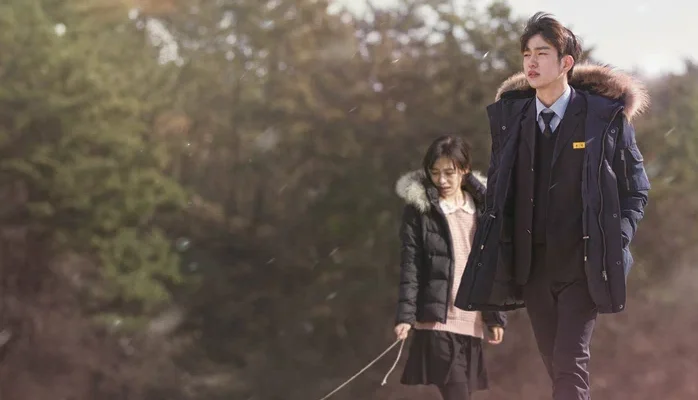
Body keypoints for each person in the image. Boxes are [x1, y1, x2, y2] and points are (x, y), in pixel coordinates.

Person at [454, 12, 651, 400]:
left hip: (584, 265)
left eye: (542, 53)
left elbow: (636, 190)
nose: (531, 62)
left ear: (566, 63)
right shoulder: (511, 120)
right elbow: (501, 194)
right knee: (556, 364)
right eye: (527, 53)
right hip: (532, 269)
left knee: (569, 360)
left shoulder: (603, 119)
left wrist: (616, 237)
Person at [393, 134, 507, 400]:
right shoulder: (420, 211)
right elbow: (411, 266)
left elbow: (493, 268)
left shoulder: (484, 209)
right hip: (438, 324)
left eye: (449, 173)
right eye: (435, 173)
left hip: (472, 323)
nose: (441, 180)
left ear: (464, 170)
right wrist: (405, 317)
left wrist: (494, 317)